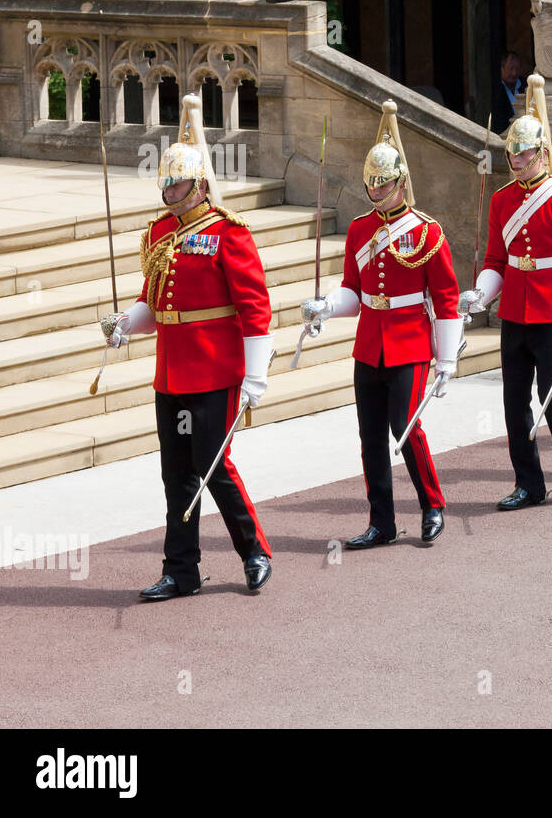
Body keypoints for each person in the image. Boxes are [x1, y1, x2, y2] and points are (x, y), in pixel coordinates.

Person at [104, 94, 274, 600]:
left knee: (215, 469)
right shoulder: (159, 233)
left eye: (176, 183)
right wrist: (123, 324)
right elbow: (153, 305)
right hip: (172, 372)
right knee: (175, 476)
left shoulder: (228, 233)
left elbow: (254, 309)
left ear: (199, 186)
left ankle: (255, 551)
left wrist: (256, 374)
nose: (168, 191)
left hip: (214, 372)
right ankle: (182, 569)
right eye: (165, 183)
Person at [300, 100, 462, 548]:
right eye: (371, 184)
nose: (376, 192)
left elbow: (446, 297)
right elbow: (354, 290)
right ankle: (382, 521)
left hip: (410, 343)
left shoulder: (427, 231)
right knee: (370, 438)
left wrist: (446, 357)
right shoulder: (358, 230)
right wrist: (326, 307)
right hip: (369, 344)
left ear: (401, 183)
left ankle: (432, 505)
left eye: (384, 184)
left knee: (406, 429)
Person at [461, 75, 552, 510]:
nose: (516, 160)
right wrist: (480, 295)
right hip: (516, 312)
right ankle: (529, 482)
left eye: (523, 154)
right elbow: (496, 262)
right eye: (512, 153)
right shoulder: (503, 200)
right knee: (514, 399)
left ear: (541, 153)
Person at [492, 50, 525, 134]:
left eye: (517, 69)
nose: (514, 73)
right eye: (510, 69)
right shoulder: (495, 90)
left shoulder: (526, 86)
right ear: (502, 69)